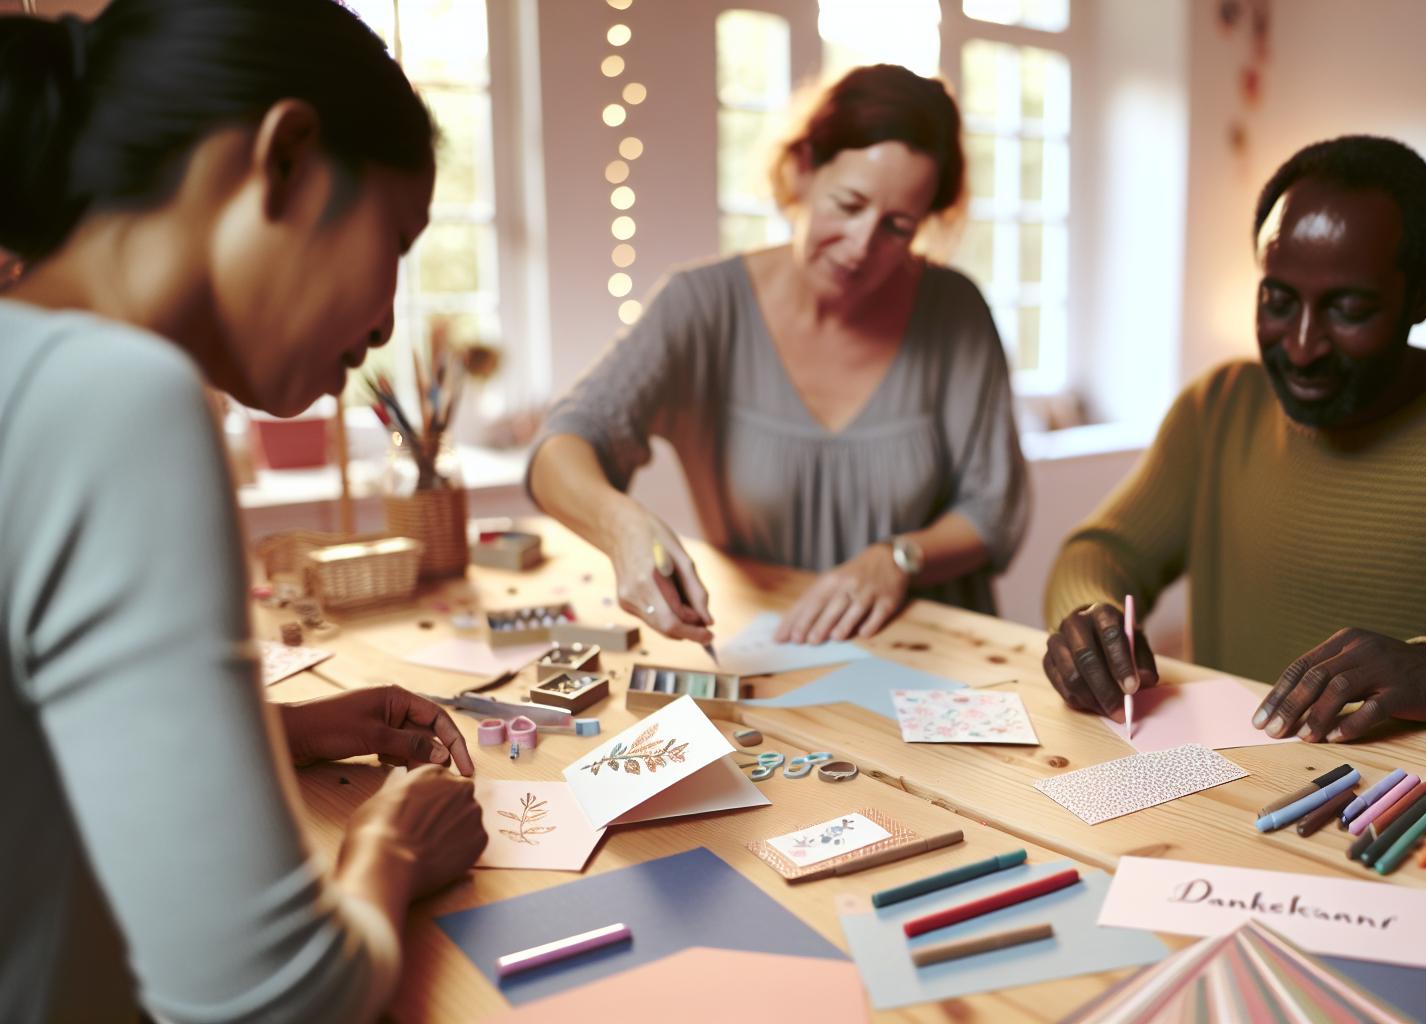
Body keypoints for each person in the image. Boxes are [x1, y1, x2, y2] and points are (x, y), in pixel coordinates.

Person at [0, 2, 487, 1020]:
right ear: (288, 157)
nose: (391, 317)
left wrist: (286, 726)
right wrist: (392, 848)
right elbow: (272, 1003)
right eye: (395, 238)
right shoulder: (109, 393)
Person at [1040, 135, 1426, 752]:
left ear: (1423, 293)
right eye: (1278, 300)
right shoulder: (1220, 407)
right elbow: (1099, 552)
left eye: (1348, 309)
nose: (1302, 346)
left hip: (1411, 815)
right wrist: (1089, 620)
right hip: (1219, 795)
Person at [529, 64, 1030, 649]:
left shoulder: (956, 312)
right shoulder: (702, 306)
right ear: (803, 170)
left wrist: (898, 558)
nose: (861, 246)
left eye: (897, 227)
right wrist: (623, 529)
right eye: (849, 205)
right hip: (771, 651)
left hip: (937, 658)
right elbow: (561, 445)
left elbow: (993, 511)